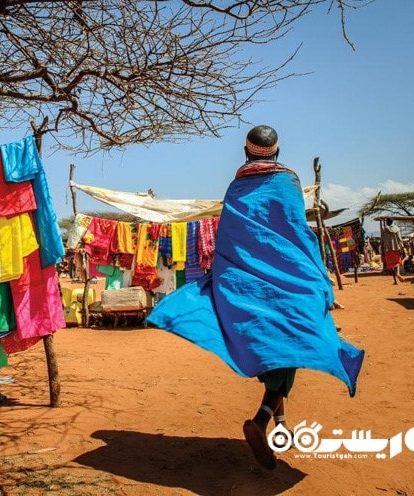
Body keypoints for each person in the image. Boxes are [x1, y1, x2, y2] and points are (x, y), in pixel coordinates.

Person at [147, 125, 363, 470]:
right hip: (290, 276)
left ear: (246, 152)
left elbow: (233, 237)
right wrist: (320, 278)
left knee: (277, 347)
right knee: (293, 343)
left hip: (245, 280)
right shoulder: (289, 183)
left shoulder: (236, 187)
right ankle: (262, 419)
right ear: (276, 152)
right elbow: (297, 231)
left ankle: (281, 425)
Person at [380, 218, 405, 285]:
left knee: (391, 265)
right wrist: (402, 248)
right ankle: (398, 273)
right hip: (396, 249)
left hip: (388, 250)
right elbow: (400, 239)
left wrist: (382, 249)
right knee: (397, 263)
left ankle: (395, 280)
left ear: (387, 222)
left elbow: (382, 241)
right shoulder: (397, 229)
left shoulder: (384, 230)